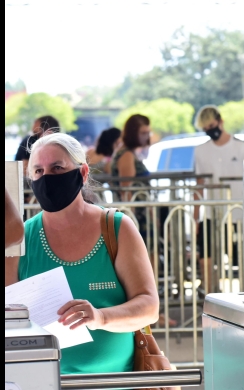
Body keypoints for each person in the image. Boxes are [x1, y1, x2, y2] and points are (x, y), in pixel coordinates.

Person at [5, 133, 159, 374]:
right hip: (43, 382)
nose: (47, 178)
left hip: (118, 384)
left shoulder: (116, 228)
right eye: (38, 171)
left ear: (83, 172)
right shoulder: (19, 240)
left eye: (57, 167)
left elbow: (148, 307)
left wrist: (100, 317)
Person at [193, 105, 244, 293]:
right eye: (205, 128)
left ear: (220, 121)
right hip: (212, 211)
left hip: (239, 211)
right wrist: (196, 216)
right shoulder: (201, 151)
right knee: (207, 253)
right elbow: (199, 184)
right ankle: (210, 292)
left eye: (211, 125)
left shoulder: (241, 147)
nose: (210, 130)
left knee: (242, 255)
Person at [111, 114, 151, 199]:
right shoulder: (126, 155)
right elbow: (126, 190)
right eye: (143, 133)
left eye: (148, 133)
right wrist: (129, 212)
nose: (146, 137)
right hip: (136, 209)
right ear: (132, 133)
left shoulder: (127, 152)